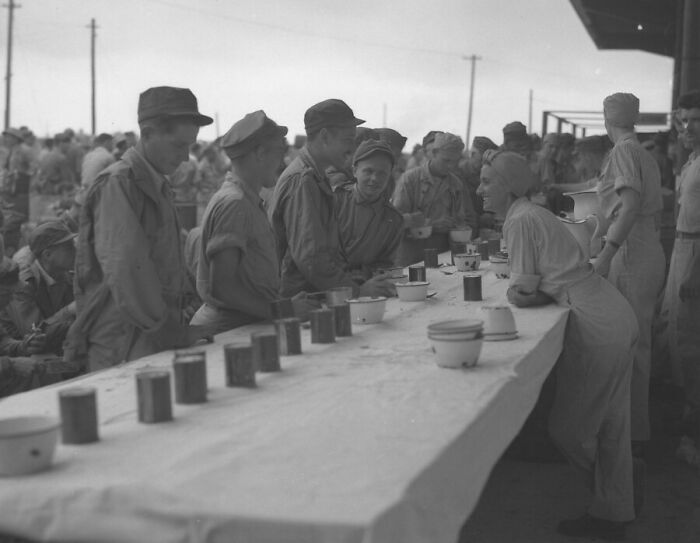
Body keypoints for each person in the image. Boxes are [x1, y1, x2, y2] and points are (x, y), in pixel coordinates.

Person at [477, 149, 638, 540]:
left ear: (508, 187)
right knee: (612, 424)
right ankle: (614, 509)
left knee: (570, 429)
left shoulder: (520, 221)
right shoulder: (529, 214)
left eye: (486, 181)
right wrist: (543, 291)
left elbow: (522, 292)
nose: (479, 189)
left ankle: (614, 495)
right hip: (611, 311)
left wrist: (539, 294)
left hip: (598, 323)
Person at [64, 86, 215, 371]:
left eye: (189, 147)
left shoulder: (154, 182)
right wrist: (174, 333)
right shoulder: (119, 184)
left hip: (150, 335)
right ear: (147, 134)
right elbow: (127, 268)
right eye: (178, 145)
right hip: (124, 343)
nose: (185, 157)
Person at [191, 110, 314, 332]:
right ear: (259, 153)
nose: (283, 161)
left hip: (245, 324)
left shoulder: (246, 200)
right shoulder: (235, 203)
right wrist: (283, 310)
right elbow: (223, 288)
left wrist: (283, 302)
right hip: (229, 331)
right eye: (279, 152)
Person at [594, 92, 666, 450]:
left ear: (606, 119)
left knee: (630, 342)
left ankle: (632, 436)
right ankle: (635, 430)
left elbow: (630, 205)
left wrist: (607, 252)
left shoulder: (623, 151)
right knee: (639, 342)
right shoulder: (641, 152)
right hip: (645, 247)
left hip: (632, 250)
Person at [268, 98, 395, 298]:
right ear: (325, 136)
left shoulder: (315, 175)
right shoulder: (303, 180)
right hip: (305, 299)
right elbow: (311, 259)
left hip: (316, 294)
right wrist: (357, 291)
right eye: (347, 140)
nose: (352, 149)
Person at [661, 89, 700, 454]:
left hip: (696, 253)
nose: (687, 127)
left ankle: (695, 433)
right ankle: (689, 417)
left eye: (696, 120)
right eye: (683, 120)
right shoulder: (690, 161)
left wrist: (693, 274)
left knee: (691, 343)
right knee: (675, 333)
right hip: (682, 246)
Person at [392, 132, 477, 266]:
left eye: (455, 162)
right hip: (412, 258)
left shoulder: (456, 184)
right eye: (446, 160)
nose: (451, 166)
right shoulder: (410, 180)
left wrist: (459, 226)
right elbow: (394, 221)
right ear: (434, 152)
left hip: (443, 256)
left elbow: (462, 220)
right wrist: (432, 224)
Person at [1, 221, 76, 355]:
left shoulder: (67, 277)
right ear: (47, 255)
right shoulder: (25, 284)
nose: (75, 251)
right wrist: (69, 311)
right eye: (69, 247)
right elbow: (33, 334)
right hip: (21, 360)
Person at [334, 139, 403, 281]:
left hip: (367, 286)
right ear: (355, 171)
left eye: (382, 173)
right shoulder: (333, 202)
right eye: (368, 171)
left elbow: (385, 264)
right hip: (326, 285)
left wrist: (365, 275)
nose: (374, 178)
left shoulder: (393, 219)